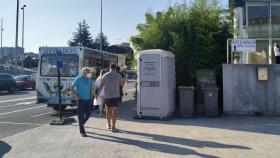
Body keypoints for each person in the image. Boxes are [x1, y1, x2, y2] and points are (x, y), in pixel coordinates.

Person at [99, 64, 123, 131]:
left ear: (109, 68)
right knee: (114, 111)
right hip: (115, 96)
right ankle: (113, 126)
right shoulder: (118, 75)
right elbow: (121, 84)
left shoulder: (105, 75)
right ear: (115, 68)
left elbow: (101, 85)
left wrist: (98, 93)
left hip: (107, 96)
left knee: (108, 111)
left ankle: (108, 124)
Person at [71, 67, 94, 137]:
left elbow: (90, 88)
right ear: (84, 73)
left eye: (89, 72)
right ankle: (82, 131)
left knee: (88, 114)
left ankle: (81, 124)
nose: (89, 73)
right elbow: (71, 87)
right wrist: (76, 95)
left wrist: (91, 97)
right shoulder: (78, 79)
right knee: (80, 116)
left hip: (88, 100)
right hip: (80, 100)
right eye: (88, 72)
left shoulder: (90, 79)